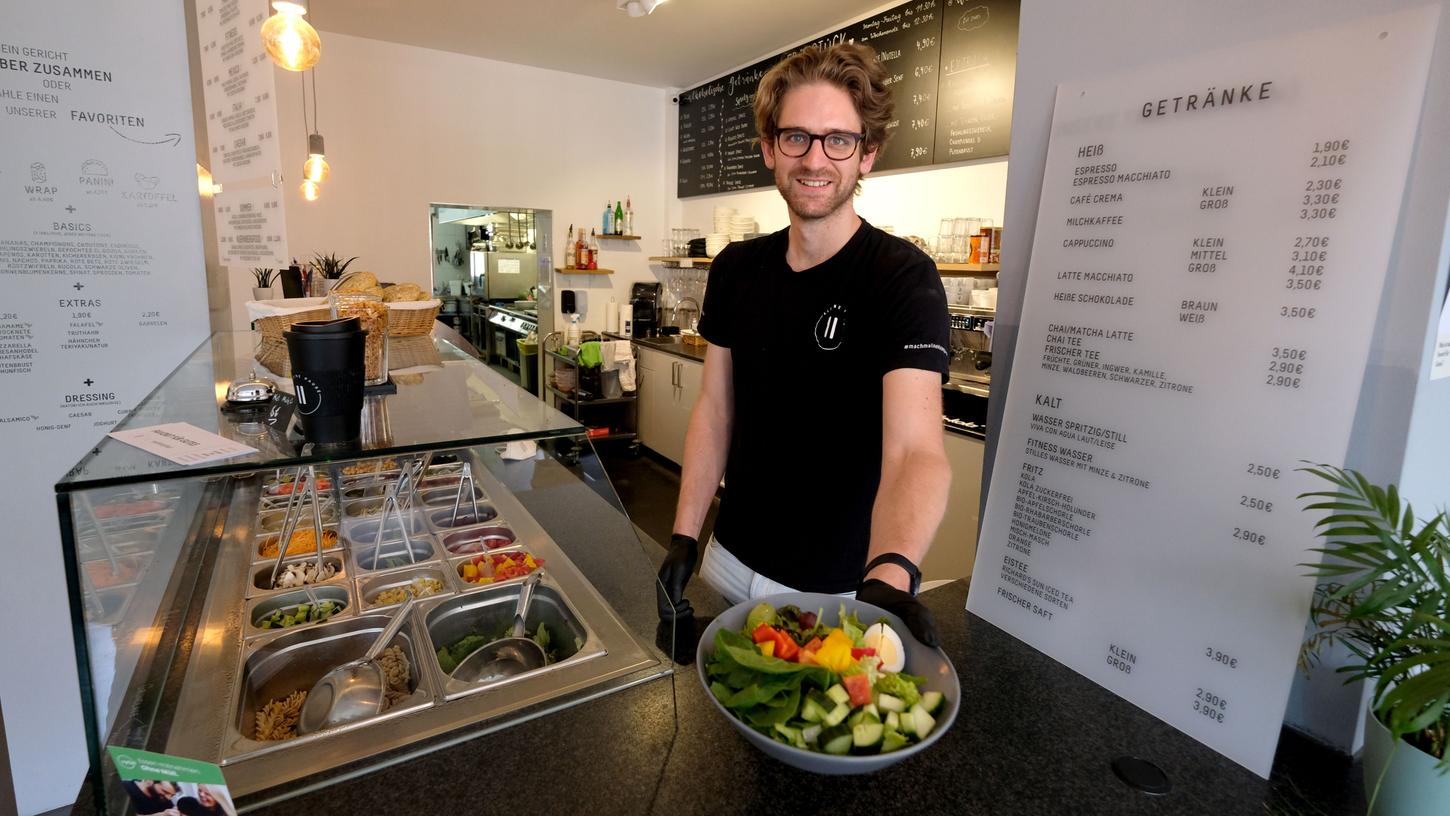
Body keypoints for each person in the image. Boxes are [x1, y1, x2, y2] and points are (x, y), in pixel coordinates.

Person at [658, 42, 951, 646]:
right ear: (769, 149)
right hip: (728, 563)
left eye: (838, 139)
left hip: (840, 590)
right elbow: (715, 412)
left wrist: (890, 575)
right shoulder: (735, 269)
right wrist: (685, 535)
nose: (815, 158)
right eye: (796, 137)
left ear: (867, 154)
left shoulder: (902, 276)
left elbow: (915, 452)